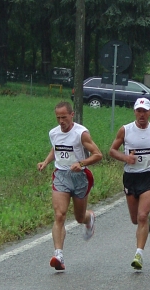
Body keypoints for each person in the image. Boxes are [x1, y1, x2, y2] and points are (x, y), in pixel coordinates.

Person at [37, 101, 102, 271]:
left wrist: (81, 163)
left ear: (72, 115)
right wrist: (45, 162)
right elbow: (56, 149)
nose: (61, 121)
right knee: (60, 214)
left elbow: (98, 155)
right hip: (61, 175)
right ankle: (58, 255)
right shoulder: (54, 133)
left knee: (79, 217)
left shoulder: (81, 134)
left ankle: (89, 219)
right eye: (58, 118)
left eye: (64, 117)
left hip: (80, 177)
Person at [109, 98, 150, 270]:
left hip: (148, 176)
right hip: (131, 177)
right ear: (135, 112)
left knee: (141, 216)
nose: (142, 114)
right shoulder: (125, 130)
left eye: (145, 111)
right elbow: (112, 150)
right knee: (135, 219)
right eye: (139, 111)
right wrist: (126, 158)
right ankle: (146, 219)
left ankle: (139, 254)